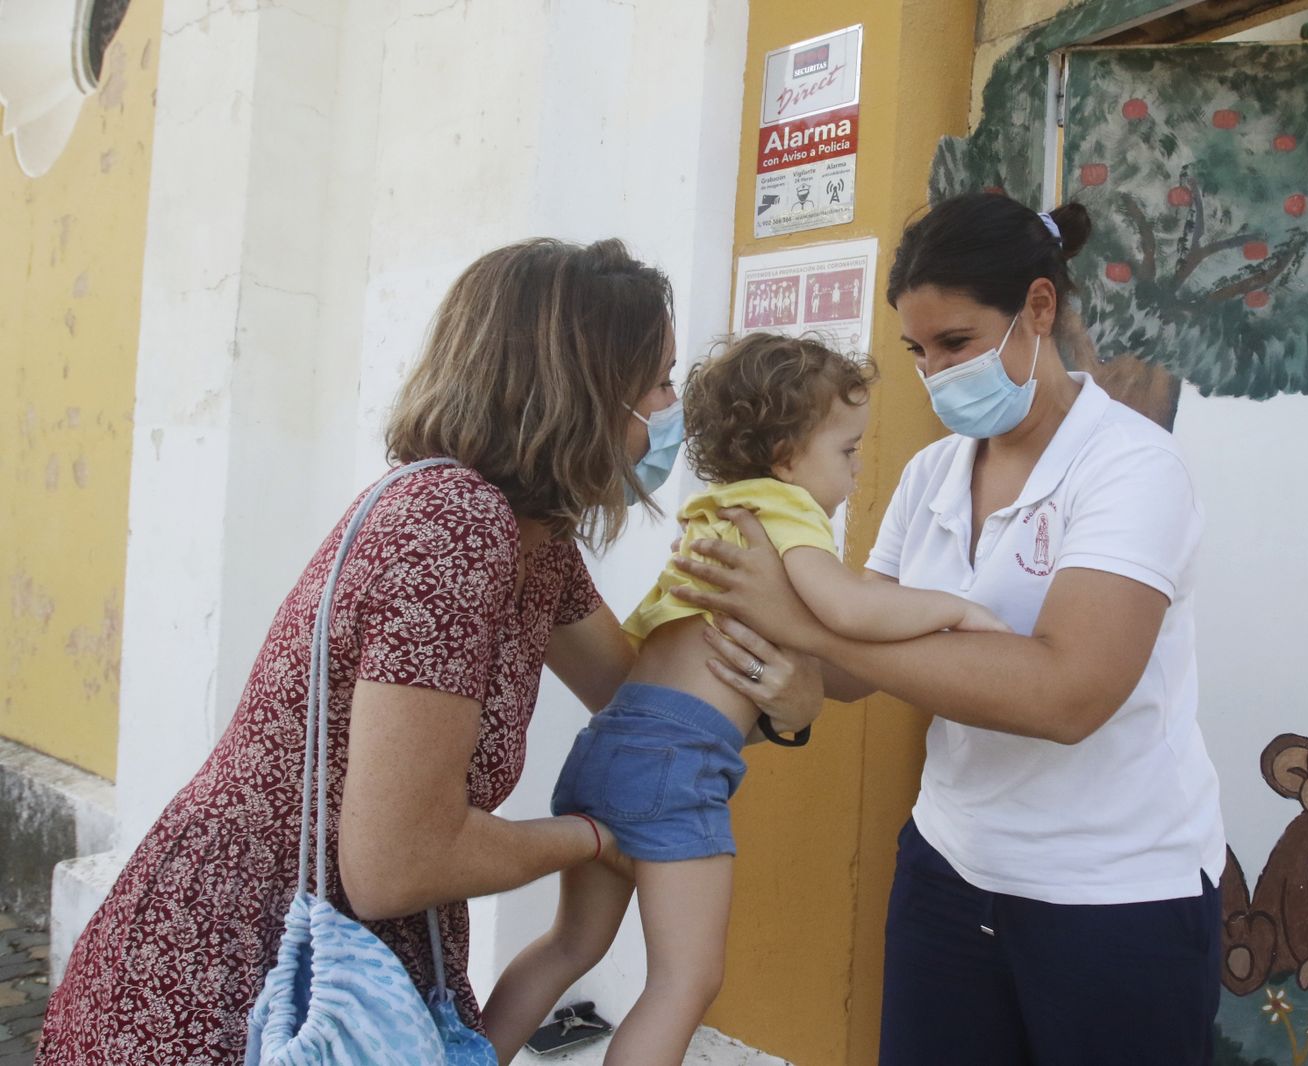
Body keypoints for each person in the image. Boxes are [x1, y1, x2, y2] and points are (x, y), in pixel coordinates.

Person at [36, 239, 822, 1065]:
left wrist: (785, 704)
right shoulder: (454, 524)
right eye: (657, 381)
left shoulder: (534, 541)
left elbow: (640, 702)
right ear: (585, 387)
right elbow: (398, 863)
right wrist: (591, 839)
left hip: (344, 957)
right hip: (247, 974)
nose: (669, 411)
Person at [672, 193, 1227, 1065]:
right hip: (949, 869)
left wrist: (813, 631)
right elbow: (867, 668)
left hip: (1113, 894)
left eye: (957, 343)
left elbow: (1068, 695)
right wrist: (784, 655)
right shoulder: (934, 472)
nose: (935, 373)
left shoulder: (1131, 469)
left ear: (1037, 309)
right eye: (918, 351)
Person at [478, 332, 1008, 1066]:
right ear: (789, 457)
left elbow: (654, 643)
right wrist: (954, 608)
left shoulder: (713, 514)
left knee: (570, 944)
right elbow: (849, 610)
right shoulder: (782, 512)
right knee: (686, 981)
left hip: (610, 745)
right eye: (847, 452)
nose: (855, 475)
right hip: (677, 769)